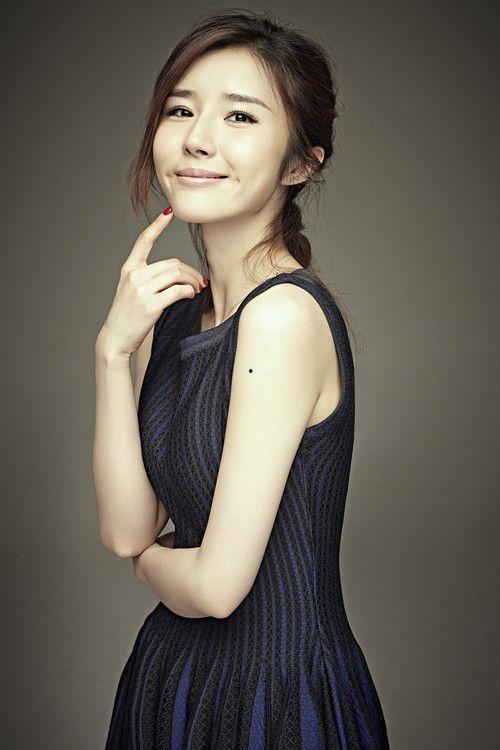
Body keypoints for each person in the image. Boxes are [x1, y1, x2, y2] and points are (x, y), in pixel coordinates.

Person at [93, 9, 390, 749]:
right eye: (181, 110)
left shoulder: (283, 317)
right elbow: (126, 528)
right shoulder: (175, 316)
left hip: (275, 697)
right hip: (171, 679)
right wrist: (111, 354)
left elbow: (217, 587)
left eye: (240, 116)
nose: (198, 138)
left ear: (300, 165)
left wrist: (148, 567)